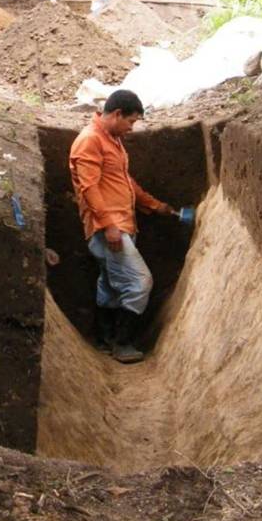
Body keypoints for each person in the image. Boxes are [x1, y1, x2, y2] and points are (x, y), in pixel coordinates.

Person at [68, 89, 177, 364]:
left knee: (110, 284)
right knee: (140, 281)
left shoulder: (111, 140)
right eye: (131, 121)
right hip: (109, 229)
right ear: (117, 114)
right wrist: (109, 226)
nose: (131, 128)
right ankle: (122, 343)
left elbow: (124, 182)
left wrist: (154, 205)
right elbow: (89, 187)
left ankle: (104, 340)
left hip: (120, 225)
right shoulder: (89, 141)